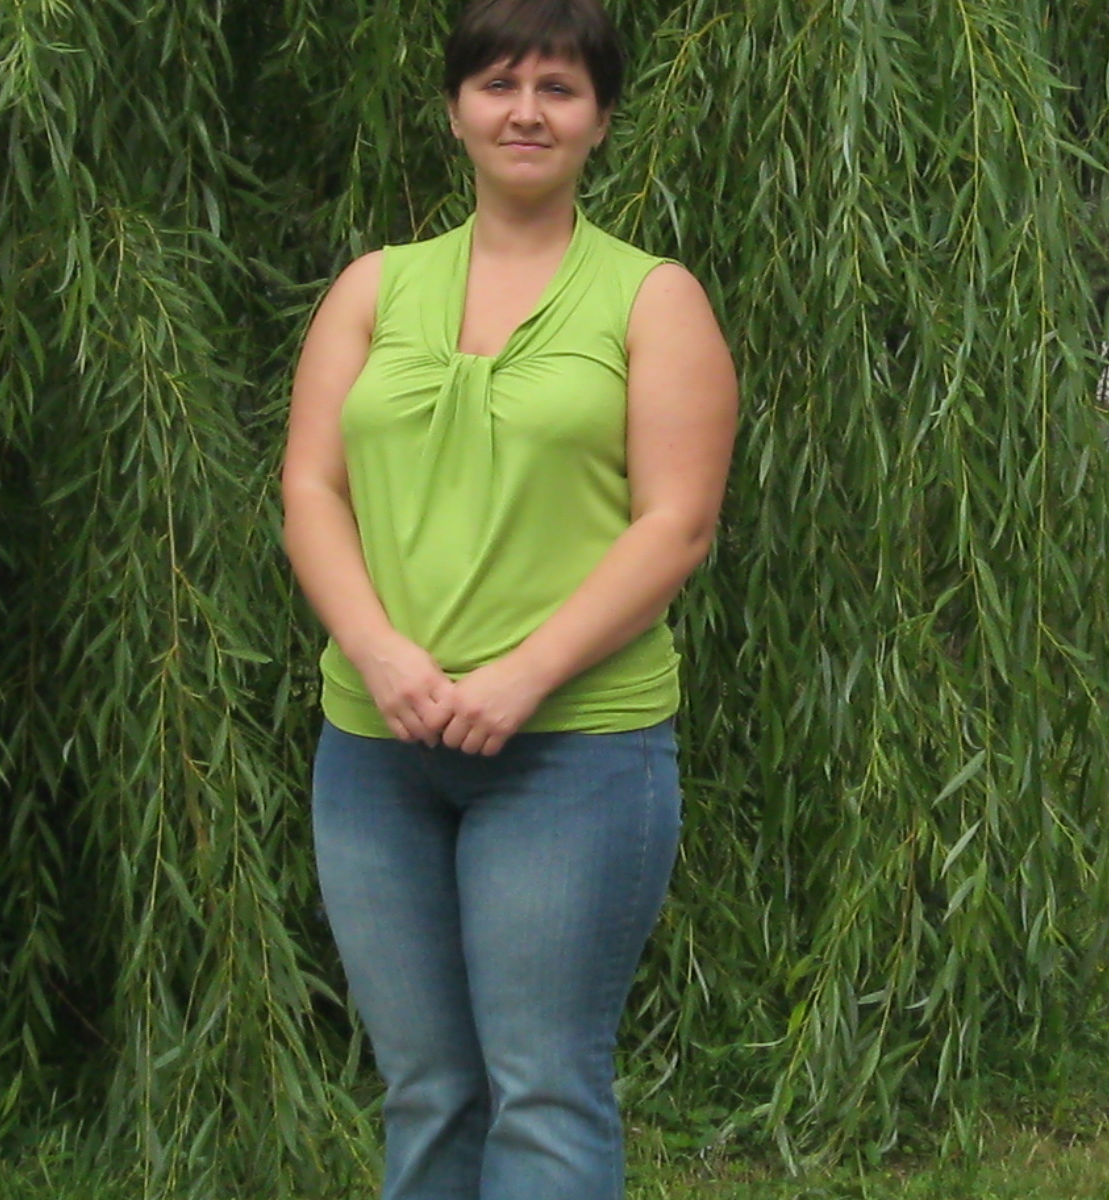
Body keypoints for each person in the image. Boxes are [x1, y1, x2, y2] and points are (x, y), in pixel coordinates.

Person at [280, 1, 738, 1196]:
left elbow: (676, 524)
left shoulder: (652, 301)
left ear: (600, 120)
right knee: (425, 1087)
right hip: (376, 749)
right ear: (453, 112)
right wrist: (378, 653)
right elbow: (310, 490)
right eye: (497, 84)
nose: (525, 112)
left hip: (572, 754)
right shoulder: (373, 289)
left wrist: (521, 676)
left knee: (541, 1090)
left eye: (558, 89)